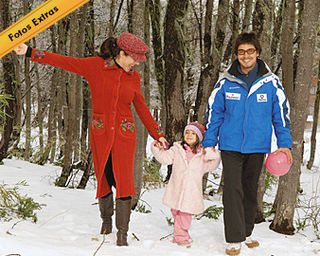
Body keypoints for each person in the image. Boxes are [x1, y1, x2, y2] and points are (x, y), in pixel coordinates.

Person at [14, 32, 167, 246]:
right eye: (133, 58)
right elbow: (65, 62)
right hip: (101, 133)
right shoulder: (96, 66)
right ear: (122, 54)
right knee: (104, 176)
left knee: (124, 182)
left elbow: (141, 107)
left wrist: (157, 134)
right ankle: (106, 221)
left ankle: (122, 233)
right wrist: (30, 52)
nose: (136, 64)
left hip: (124, 135)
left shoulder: (133, 77)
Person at [202, 32, 293, 255]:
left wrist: (284, 144)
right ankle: (234, 239)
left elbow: (280, 115)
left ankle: (246, 231)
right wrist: (209, 142)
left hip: (257, 146)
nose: (246, 56)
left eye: (250, 51)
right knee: (232, 190)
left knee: (250, 190)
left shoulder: (271, 83)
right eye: (241, 52)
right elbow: (215, 114)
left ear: (257, 53)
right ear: (237, 54)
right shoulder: (225, 82)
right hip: (231, 145)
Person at [151, 121, 220, 247]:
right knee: (175, 211)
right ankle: (179, 231)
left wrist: (212, 154)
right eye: (187, 132)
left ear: (199, 137)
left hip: (191, 191)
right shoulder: (177, 149)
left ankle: (181, 237)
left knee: (184, 214)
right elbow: (165, 158)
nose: (189, 135)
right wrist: (157, 149)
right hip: (176, 188)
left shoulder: (202, 154)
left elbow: (212, 165)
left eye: (193, 133)